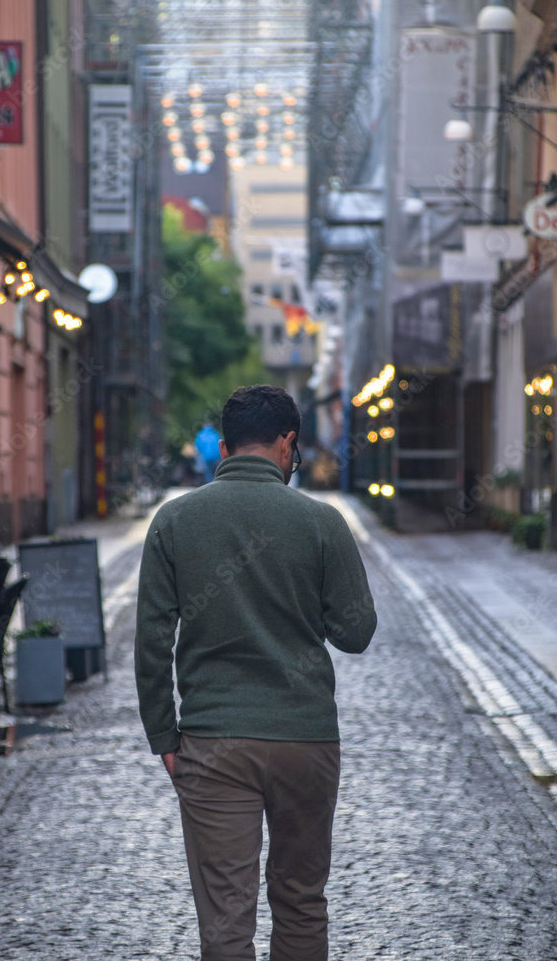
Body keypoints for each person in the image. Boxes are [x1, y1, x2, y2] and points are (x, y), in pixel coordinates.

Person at [135, 384, 377, 961]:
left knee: (225, 918)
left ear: (224, 445)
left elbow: (150, 641)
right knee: (300, 901)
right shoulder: (322, 522)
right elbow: (356, 632)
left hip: (212, 741)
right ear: (288, 442)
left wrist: (164, 738)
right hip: (305, 740)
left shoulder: (175, 521)